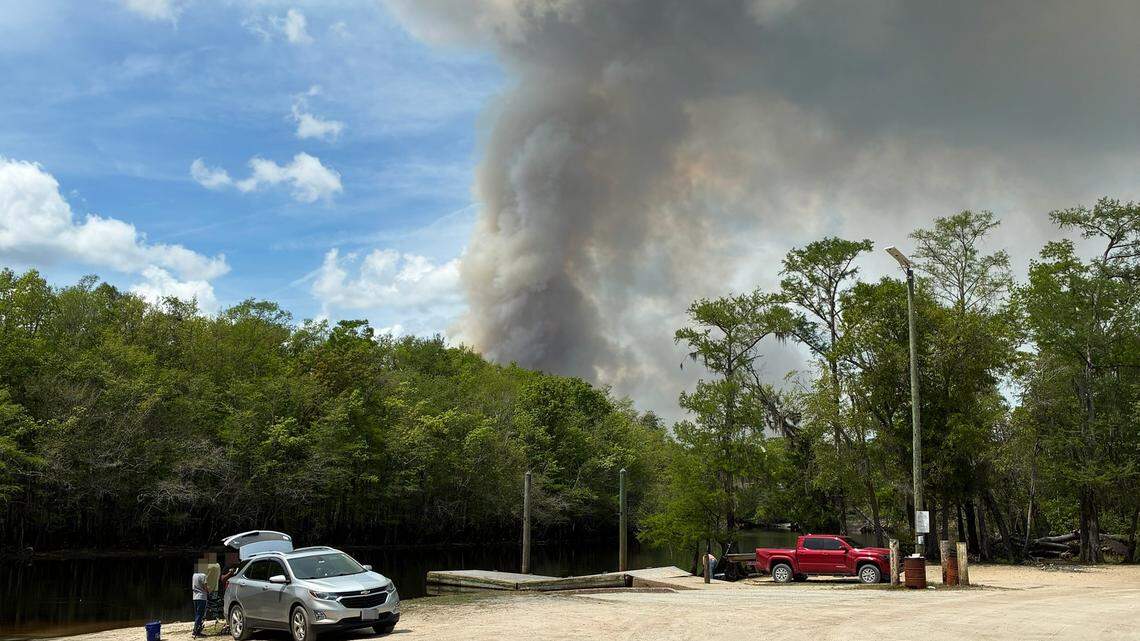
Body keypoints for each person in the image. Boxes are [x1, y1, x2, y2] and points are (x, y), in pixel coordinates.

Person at [192, 565, 210, 637]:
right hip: (202, 597)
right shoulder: (203, 575)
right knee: (200, 615)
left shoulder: (194, 575)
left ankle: (196, 630)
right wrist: (209, 591)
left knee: (197, 614)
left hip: (195, 597)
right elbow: (205, 587)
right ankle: (196, 631)